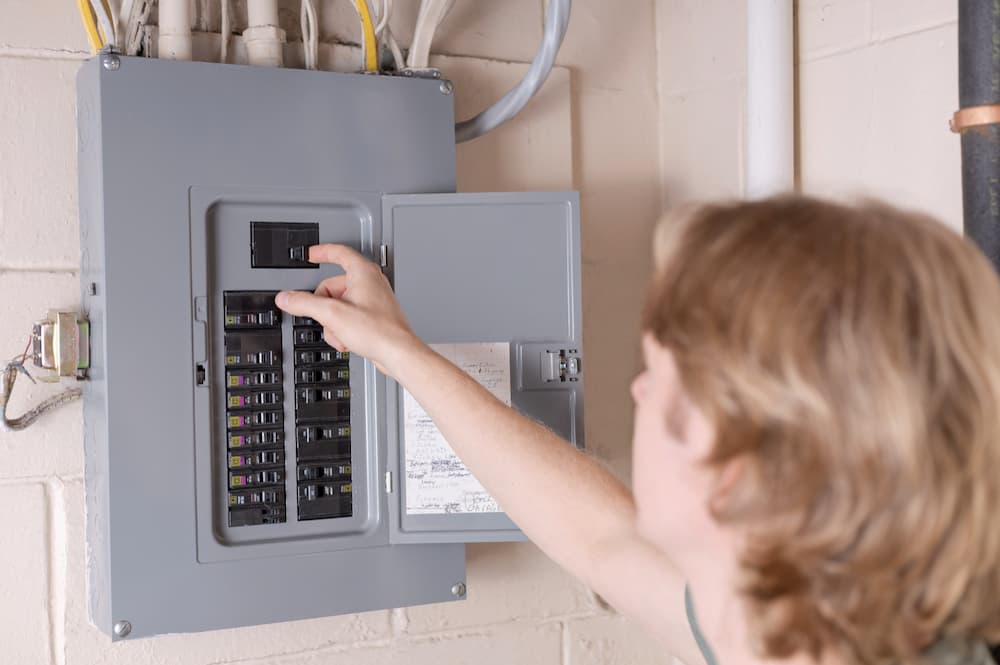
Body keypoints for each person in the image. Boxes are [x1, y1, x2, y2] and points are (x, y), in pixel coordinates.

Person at [274, 196, 1000, 665]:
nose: (637, 388)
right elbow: (601, 537)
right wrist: (401, 353)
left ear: (740, 472)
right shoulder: (784, 625)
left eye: (661, 373)